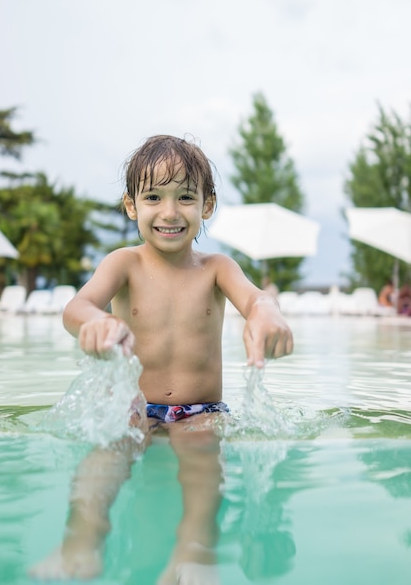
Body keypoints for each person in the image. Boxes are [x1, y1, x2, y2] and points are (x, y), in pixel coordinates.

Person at [30, 134, 293, 583]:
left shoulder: (217, 268)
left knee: (202, 454)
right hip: (137, 408)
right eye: (154, 197)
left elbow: (256, 300)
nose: (170, 212)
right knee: (108, 451)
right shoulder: (123, 264)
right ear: (131, 206)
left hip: (200, 411)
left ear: (206, 206)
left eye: (185, 198)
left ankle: (195, 551)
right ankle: (82, 541)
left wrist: (268, 315)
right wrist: (94, 323)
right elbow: (77, 308)